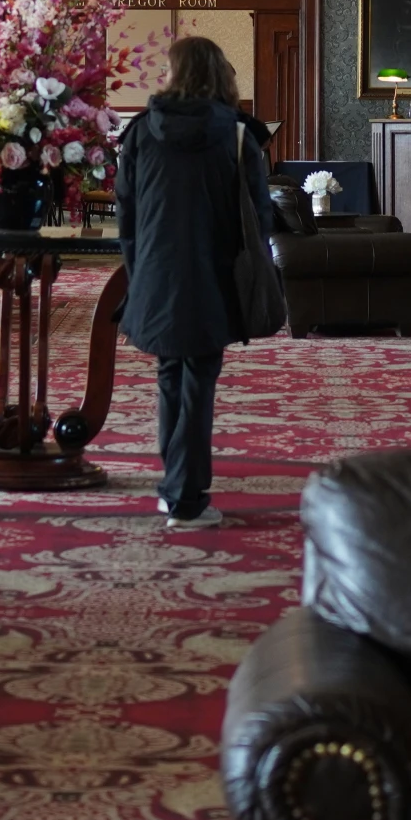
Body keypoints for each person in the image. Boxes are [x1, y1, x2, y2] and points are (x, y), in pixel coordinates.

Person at [114, 35, 275, 531]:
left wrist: (139, 275)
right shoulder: (238, 136)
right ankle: (184, 498)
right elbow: (259, 218)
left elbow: (128, 215)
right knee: (198, 382)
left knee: (171, 373)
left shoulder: (140, 133)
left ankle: (175, 485)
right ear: (220, 74)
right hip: (214, 274)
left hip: (158, 273)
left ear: (174, 73)